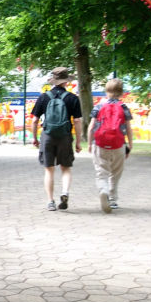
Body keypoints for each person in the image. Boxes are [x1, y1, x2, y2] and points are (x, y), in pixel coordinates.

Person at [31, 67, 83, 211]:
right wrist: (78, 142)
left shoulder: (44, 97)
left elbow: (35, 120)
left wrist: (35, 138)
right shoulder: (73, 98)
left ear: (54, 81)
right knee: (65, 168)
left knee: (49, 169)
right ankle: (65, 192)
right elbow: (78, 121)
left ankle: (50, 202)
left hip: (47, 135)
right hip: (65, 136)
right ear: (66, 81)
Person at [87, 78, 133, 212]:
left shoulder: (99, 106)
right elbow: (128, 129)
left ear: (106, 91)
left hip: (100, 144)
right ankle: (112, 200)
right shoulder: (124, 107)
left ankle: (104, 190)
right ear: (121, 93)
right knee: (116, 172)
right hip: (118, 145)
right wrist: (129, 145)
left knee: (101, 173)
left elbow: (91, 127)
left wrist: (90, 144)